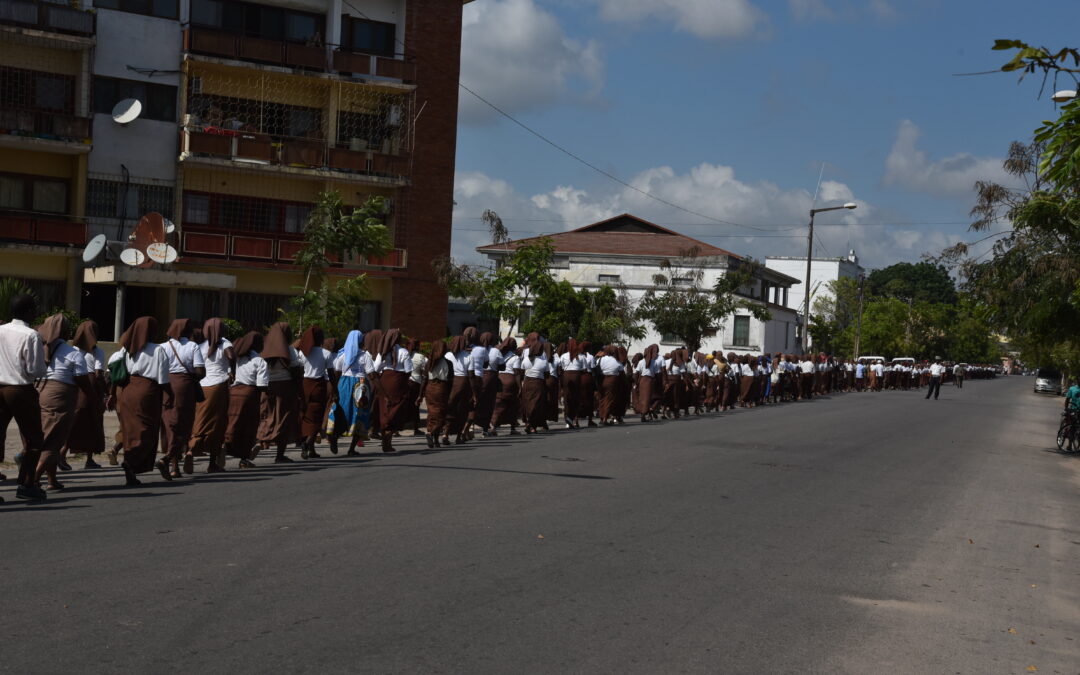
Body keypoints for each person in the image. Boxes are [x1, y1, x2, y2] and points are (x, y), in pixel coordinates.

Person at [107, 316, 171, 486]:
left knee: (130, 432)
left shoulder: (129, 350)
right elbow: (163, 379)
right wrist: (171, 395)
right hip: (147, 392)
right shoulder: (158, 350)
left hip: (129, 391)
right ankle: (131, 463)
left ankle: (131, 469)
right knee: (147, 431)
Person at [32, 313, 92, 491]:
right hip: (61, 395)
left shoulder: (40, 348)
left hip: (40, 391)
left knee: (48, 434)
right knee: (53, 440)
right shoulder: (72, 353)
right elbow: (82, 379)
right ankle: (32, 480)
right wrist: (93, 397)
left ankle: (52, 480)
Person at [0, 295, 48, 501]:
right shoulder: (31, 335)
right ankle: (27, 484)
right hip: (20, 389)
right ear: (29, 311)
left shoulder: (1, 330)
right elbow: (35, 369)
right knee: (34, 439)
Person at [162, 318, 206, 477]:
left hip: (166, 386)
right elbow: (200, 372)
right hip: (186, 386)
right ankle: (183, 452)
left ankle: (174, 466)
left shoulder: (163, 347)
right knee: (185, 423)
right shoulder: (192, 346)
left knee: (169, 424)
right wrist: (190, 379)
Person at [61, 320, 106, 470]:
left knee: (74, 422)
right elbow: (99, 373)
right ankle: (89, 458)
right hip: (90, 387)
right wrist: (102, 392)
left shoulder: (72, 350)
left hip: (75, 387)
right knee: (92, 423)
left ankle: (62, 453)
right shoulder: (97, 351)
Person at [189, 318, 232, 473]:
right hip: (219, 385)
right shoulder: (225, 343)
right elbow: (232, 356)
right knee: (218, 424)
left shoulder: (200, 346)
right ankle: (212, 463)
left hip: (202, 385)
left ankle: (191, 448)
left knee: (201, 419)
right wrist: (232, 370)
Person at [256, 322, 301, 463]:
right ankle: (279, 455)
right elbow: (296, 370)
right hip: (285, 387)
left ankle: (261, 440)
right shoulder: (290, 351)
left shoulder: (263, 350)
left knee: (266, 415)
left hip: (266, 387)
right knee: (283, 419)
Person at [327, 330, 374, 456]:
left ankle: (334, 438)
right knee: (359, 415)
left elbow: (336, 375)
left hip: (343, 385)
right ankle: (351, 448)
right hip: (360, 387)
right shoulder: (365, 356)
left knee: (342, 412)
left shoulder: (342, 355)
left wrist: (334, 390)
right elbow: (371, 374)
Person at [295, 325, 331, 460]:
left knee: (306, 416)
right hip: (318, 386)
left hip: (305, 385)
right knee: (317, 417)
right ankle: (307, 443)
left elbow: (299, 370)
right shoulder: (325, 353)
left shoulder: (302, 353)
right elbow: (331, 374)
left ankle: (311, 450)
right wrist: (335, 390)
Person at [374, 328, 412, 453]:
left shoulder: (382, 352)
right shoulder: (404, 352)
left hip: (384, 381)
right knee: (395, 410)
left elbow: (375, 369)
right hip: (398, 382)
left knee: (385, 409)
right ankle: (387, 441)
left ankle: (386, 438)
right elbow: (408, 371)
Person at [419, 339, 449, 448]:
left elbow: (424, 379)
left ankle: (435, 440)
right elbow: (450, 380)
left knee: (432, 414)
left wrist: (420, 395)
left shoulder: (429, 362)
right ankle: (430, 433)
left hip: (429, 389)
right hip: (441, 389)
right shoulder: (447, 363)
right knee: (441, 415)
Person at [489, 337, 520, 435]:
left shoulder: (499, 355)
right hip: (511, 382)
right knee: (512, 405)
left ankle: (494, 427)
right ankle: (513, 428)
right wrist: (520, 387)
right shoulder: (515, 357)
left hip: (500, 380)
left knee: (498, 405)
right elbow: (517, 373)